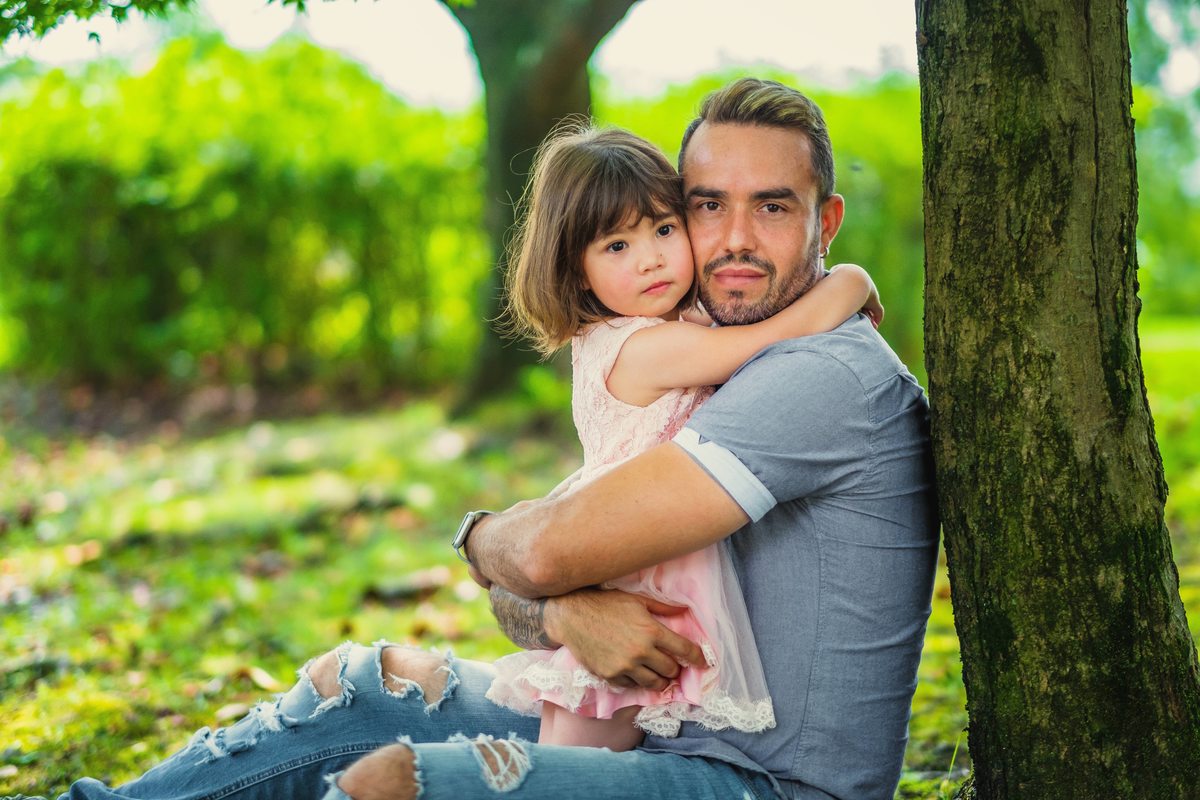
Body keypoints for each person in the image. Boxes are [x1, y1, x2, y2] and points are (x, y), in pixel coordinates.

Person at [50, 78, 937, 800]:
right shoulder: (689, 350)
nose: (733, 240)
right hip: (664, 722)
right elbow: (540, 577)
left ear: (825, 223)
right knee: (368, 683)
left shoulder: (822, 376)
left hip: (756, 782)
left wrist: (494, 547)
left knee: (396, 786)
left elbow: (545, 549)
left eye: (773, 208)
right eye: (706, 207)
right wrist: (544, 598)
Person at [483, 123, 882, 751]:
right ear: (577, 270)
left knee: (578, 745)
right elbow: (760, 343)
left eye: (664, 230)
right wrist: (851, 280)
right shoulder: (640, 346)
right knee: (580, 761)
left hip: (639, 554)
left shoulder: (664, 324)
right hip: (637, 570)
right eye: (617, 246)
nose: (651, 258)